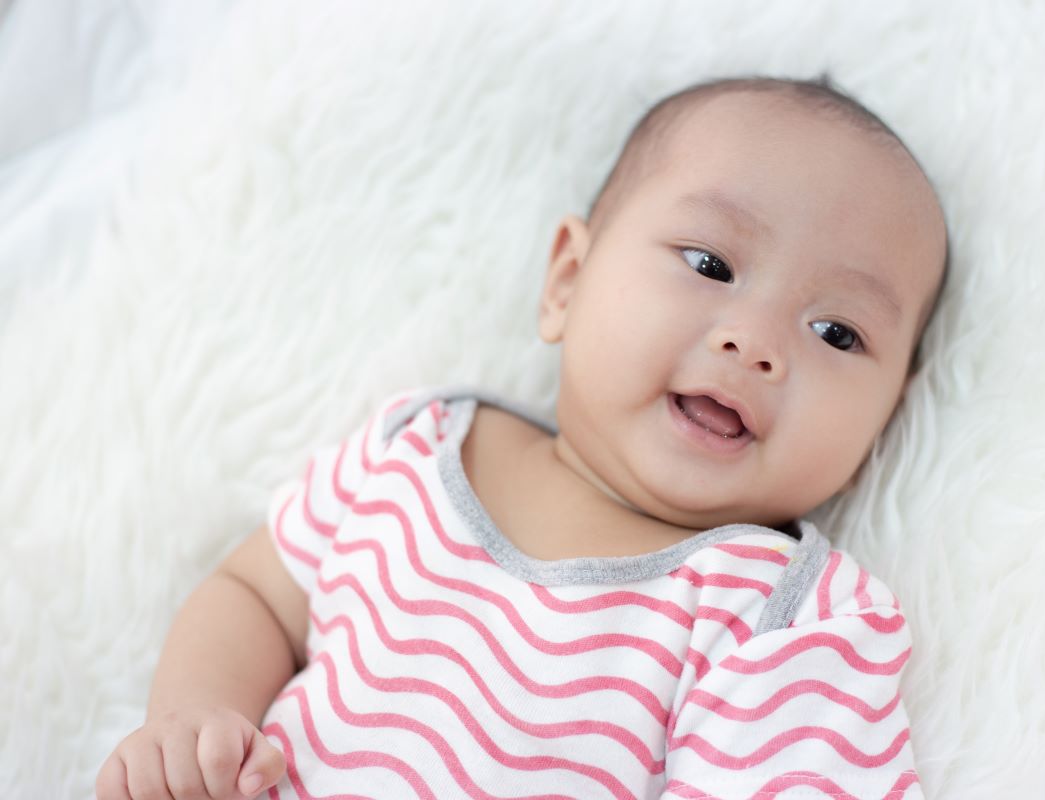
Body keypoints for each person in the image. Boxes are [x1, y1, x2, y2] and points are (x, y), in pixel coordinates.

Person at [96, 75, 948, 800]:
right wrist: (194, 721)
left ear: (887, 418)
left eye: (837, 332)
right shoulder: (417, 447)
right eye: (709, 264)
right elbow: (254, 595)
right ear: (568, 281)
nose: (755, 343)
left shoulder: (785, 618)